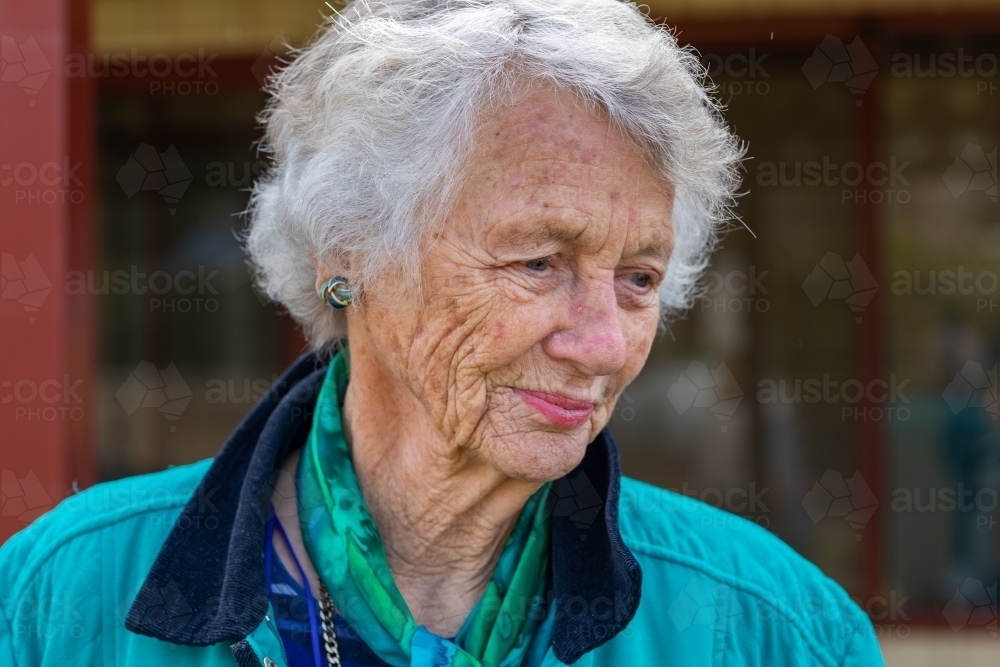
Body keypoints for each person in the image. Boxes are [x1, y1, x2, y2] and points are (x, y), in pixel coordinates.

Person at [0, 1, 885, 665]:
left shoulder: (775, 630)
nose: (606, 344)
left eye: (639, 279)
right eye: (539, 261)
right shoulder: (62, 598)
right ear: (348, 249)